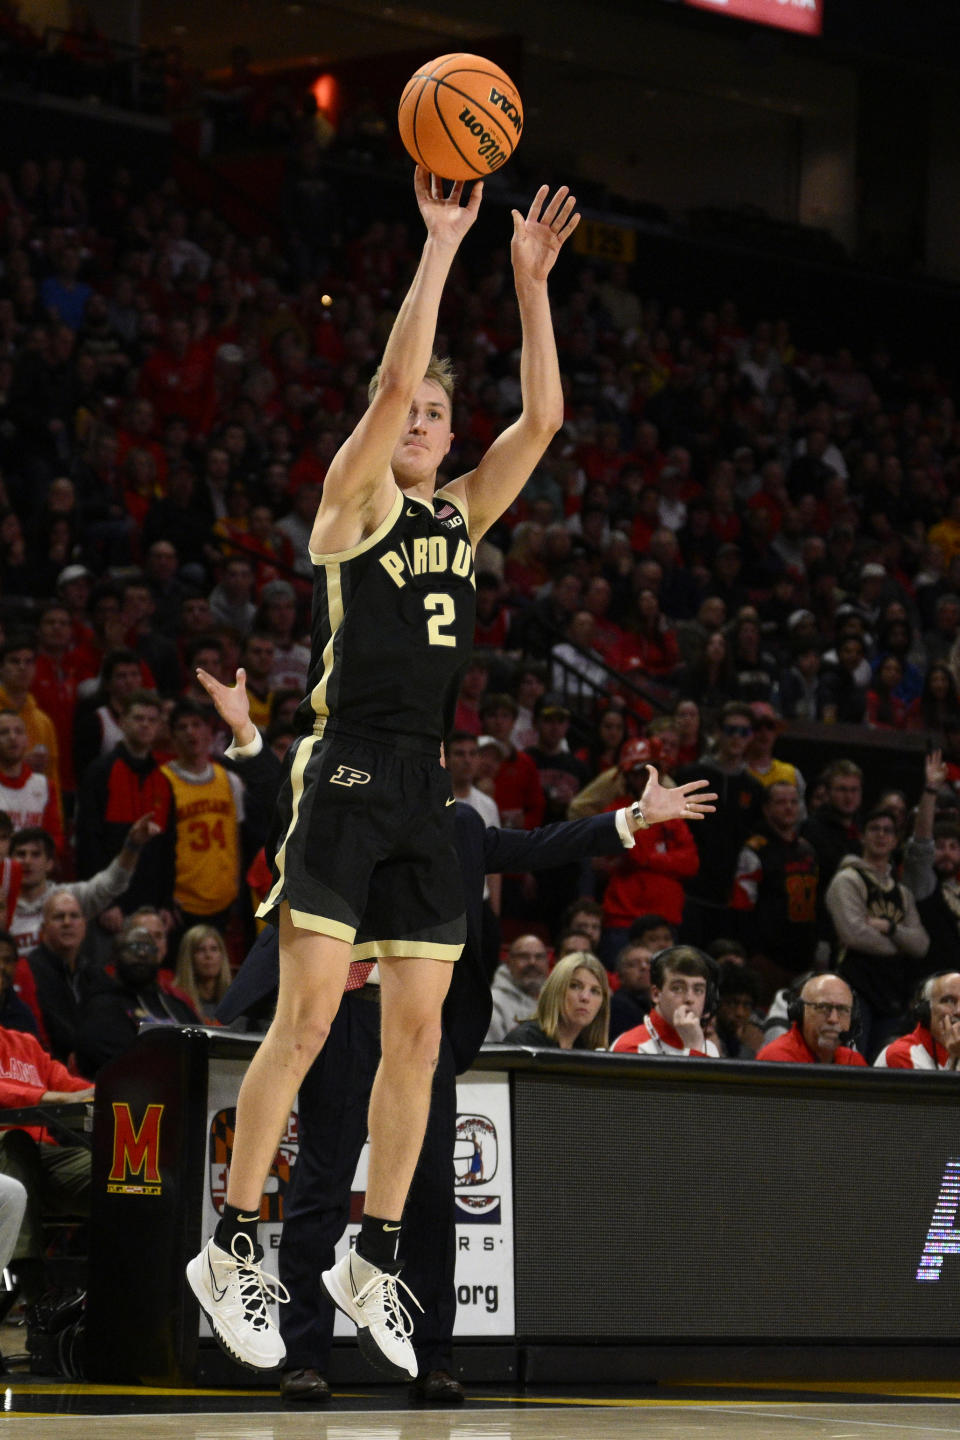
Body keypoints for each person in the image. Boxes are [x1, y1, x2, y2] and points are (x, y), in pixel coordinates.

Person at [186, 169, 584, 1378]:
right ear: (384, 416)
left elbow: (546, 423)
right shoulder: (350, 508)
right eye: (410, 412)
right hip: (344, 769)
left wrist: (529, 288)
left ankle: (376, 1251)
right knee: (308, 1024)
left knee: (421, 1046)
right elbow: (398, 380)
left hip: (425, 784)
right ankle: (238, 1243)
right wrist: (442, 245)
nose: (425, 425)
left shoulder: (458, 520)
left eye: (436, 420)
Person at [201, 664, 714, 1399]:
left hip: (419, 1030)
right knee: (319, 1186)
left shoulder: (462, 827)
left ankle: (435, 1354)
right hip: (343, 1017)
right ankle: (304, 1354)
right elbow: (285, 789)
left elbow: (540, 845)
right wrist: (247, 733)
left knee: (432, 1195)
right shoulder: (340, 799)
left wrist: (632, 818)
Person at [825, 807, 929, 1059]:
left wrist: (890, 928)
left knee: (886, 1064)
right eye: (875, 829)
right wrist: (900, 943)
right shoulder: (847, 879)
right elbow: (854, 934)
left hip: (892, 992)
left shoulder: (901, 892)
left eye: (888, 831)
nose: (881, 835)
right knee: (853, 1061)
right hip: (856, 987)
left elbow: (921, 944)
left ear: (896, 840)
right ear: (862, 836)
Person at [74, 689, 176, 920]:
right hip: (110, 907)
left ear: (160, 726)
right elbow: (88, 844)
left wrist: (165, 903)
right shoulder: (99, 773)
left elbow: (167, 848)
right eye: (138, 718)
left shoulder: (164, 781)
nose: (145, 725)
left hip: (152, 907)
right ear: (121, 722)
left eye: (152, 720)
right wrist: (103, 904)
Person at [674, 701, 765, 946]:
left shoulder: (754, 788)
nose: (737, 737)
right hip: (689, 892)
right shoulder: (688, 776)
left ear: (751, 737)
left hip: (730, 896)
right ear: (716, 732)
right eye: (731, 730)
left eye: (744, 732)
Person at [8, 815, 160, 960]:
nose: (27, 861)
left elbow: (112, 882)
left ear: (50, 863)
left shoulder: (69, 897)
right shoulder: (3, 902)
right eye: (21, 854)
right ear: (9, 861)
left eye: (35, 855)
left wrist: (132, 846)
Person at [75, 923, 198, 1075]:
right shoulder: (101, 1006)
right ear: (115, 956)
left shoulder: (176, 1005)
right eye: (133, 947)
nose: (142, 954)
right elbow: (117, 1063)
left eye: (149, 949)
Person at [731, 781, 819, 994]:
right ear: (766, 808)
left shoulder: (807, 849)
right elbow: (741, 908)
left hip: (804, 960)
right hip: (768, 961)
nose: (788, 807)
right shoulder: (754, 851)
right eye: (780, 802)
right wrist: (753, 954)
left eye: (793, 802)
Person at [610, 946, 721, 1058]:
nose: (689, 999)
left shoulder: (709, 1048)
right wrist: (694, 1050)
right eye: (678, 988)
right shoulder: (631, 1048)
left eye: (698, 990)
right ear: (656, 994)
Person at [501, 952, 609, 1050]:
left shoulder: (588, 1049)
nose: (585, 997)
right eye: (574, 986)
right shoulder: (524, 1042)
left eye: (595, 991)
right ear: (555, 990)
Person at [755, 973, 866, 1066]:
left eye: (842, 1009)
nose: (833, 1019)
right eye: (823, 1007)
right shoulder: (777, 1059)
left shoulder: (853, 1061)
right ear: (800, 1012)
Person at [875, 972, 960, 1071]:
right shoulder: (901, 1054)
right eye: (949, 1001)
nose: (959, 1011)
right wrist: (955, 1057)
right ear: (926, 1011)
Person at [485, 933, 551, 1042]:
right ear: (509, 962)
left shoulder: (554, 1001)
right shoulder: (492, 1002)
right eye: (524, 956)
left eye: (539, 957)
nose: (532, 962)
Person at [174, 925, 233, 1021]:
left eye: (214, 949)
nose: (208, 956)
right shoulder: (177, 1000)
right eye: (201, 950)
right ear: (188, 957)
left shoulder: (234, 998)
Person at [608, 937, 655, 1043]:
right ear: (620, 976)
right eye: (634, 964)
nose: (644, 967)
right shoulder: (616, 1006)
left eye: (649, 963)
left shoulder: (662, 1006)